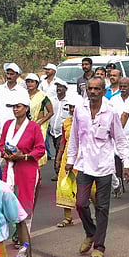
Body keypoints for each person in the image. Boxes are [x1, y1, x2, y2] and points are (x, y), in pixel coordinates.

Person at [66, 76, 129, 257]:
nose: (93, 92)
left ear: (104, 91)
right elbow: (74, 137)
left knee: (102, 207)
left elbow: (120, 139)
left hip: (104, 165)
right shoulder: (80, 110)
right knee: (80, 203)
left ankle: (99, 246)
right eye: (90, 89)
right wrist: (70, 158)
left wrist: (126, 163)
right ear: (86, 90)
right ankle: (90, 232)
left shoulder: (110, 112)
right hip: (84, 164)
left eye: (97, 89)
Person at [0, 94, 46, 236]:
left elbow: (40, 148)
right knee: (6, 198)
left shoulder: (33, 127)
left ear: (26, 108)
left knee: (25, 201)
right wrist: (5, 154)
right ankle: (11, 231)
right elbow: (1, 144)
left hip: (27, 168)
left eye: (18, 106)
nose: (15, 109)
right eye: (13, 107)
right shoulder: (8, 125)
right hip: (10, 167)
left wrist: (23, 156)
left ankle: (24, 235)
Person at [54, 94, 82, 227]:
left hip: (82, 158)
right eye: (70, 107)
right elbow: (63, 141)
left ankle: (94, 215)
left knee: (86, 189)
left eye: (74, 107)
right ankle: (68, 217)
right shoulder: (66, 122)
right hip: (67, 158)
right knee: (64, 186)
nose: (71, 109)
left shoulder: (86, 121)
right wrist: (58, 159)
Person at [0, 63, 28, 132]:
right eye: (8, 74)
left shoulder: (22, 91)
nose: (9, 76)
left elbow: (26, 111)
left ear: (17, 75)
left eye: (11, 74)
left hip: (16, 131)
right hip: (0, 130)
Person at [24, 73, 53, 166]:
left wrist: (40, 122)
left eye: (32, 82)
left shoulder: (42, 96)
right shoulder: (23, 94)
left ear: (36, 83)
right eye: (28, 82)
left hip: (37, 126)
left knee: (36, 151)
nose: (30, 84)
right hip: (24, 126)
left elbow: (51, 112)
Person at [47, 80, 71, 168]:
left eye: (61, 87)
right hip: (53, 131)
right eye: (58, 87)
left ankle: (57, 170)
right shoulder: (52, 100)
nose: (59, 89)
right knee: (56, 148)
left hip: (62, 131)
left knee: (59, 150)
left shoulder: (68, 101)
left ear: (65, 89)